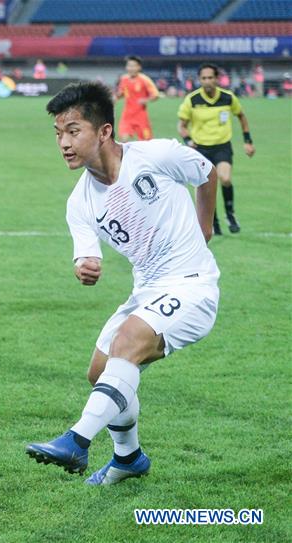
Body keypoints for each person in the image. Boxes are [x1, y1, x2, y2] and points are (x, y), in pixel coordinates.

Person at [26, 81, 220, 485]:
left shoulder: (155, 155)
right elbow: (86, 253)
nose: (63, 142)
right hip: (147, 289)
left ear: (104, 131)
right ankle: (128, 458)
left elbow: (206, 171)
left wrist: (205, 225)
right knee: (100, 373)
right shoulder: (79, 201)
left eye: (73, 130)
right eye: (58, 134)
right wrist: (85, 266)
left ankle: (76, 440)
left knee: (126, 345)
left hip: (192, 285)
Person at [178, 63, 255, 235]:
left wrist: (248, 141)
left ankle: (230, 214)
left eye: (210, 78)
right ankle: (213, 221)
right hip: (200, 149)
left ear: (217, 79)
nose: (207, 81)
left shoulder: (228, 98)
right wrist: (188, 139)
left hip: (222, 146)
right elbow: (182, 125)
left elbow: (241, 117)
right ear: (199, 80)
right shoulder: (192, 100)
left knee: (225, 178)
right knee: (204, 187)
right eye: (204, 78)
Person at [114, 56, 159, 142]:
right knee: (123, 140)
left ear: (139, 67)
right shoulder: (123, 79)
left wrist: (145, 100)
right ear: (126, 67)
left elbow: (155, 94)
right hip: (127, 116)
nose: (131, 68)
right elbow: (121, 92)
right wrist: (116, 97)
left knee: (146, 144)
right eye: (129, 66)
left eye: (134, 66)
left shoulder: (144, 79)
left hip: (141, 117)